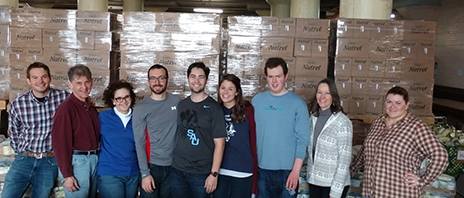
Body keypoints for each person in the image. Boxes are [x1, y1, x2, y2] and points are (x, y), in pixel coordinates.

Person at [350, 86, 448, 198]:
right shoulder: (378, 122)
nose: (393, 106)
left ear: (406, 105)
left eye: (398, 102)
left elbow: (441, 156)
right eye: (389, 102)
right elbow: (366, 150)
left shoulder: (416, 127)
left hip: (399, 192)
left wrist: (422, 180)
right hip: (371, 191)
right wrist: (352, 169)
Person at [3, 62, 69, 198]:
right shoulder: (18, 103)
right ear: (28, 81)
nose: (40, 81)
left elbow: (80, 102)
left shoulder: (63, 98)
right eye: (35, 78)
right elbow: (14, 133)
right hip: (24, 160)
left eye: (44, 77)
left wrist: (89, 100)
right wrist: (21, 152)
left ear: (50, 78)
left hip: (49, 161)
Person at [252, 57, 311, 198]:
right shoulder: (256, 101)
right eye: (270, 77)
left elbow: (303, 140)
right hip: (262, 170)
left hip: (288, 171)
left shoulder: (298, 104)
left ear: (286, 76)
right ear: (266, 77)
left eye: (278, 76)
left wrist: (296, 171)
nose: (274, 81)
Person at [171, 62, 226, 198]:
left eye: (201, 77)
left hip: (201, 173)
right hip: (178, 170)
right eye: (193, 76)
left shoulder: (214, 108)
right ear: (188, 78)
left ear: (206, 80)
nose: (196, 81)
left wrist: (214, 174)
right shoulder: (182, 105)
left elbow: (220, 143)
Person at [51, 64, 100, 198]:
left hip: (93, 160)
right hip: (77, 163)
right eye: (78, 83)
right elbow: (60, 144)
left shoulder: (89, 107)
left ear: (92, 82)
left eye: (87, 82)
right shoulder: (66, 109)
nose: (84, 87)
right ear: (70, 84)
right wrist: (67, 175)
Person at [133, 64, 181, 198]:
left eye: (161, 78)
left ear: (168, 80)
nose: (157, 82)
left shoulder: (177, 101)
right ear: (148, 82)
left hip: (174, 167)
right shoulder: (141, 109)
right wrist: (145, 173)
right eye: (153, 79)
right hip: (152, 167)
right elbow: (139, 143)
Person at [212, 74, 258, 198]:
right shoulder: (215, 110)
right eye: (223, 88)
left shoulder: (248, 110)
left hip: (243, 172)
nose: (225, 92)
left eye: (230, 89)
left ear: (237, 92)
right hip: (220, 171)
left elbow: (253, 140)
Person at [306, 78, 352, 198]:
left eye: (327, 93)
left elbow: (344, 160)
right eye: (319, 92)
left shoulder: (343, 122)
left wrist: (336, 192)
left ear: (333, 96)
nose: (322, 96)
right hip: (315, 180)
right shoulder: (313, 118)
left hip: (332, 184)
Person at [97, 80, 139, 198]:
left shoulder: (138, 117)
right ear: (113, 101)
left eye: (126, 97)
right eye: (119, 98)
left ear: (131, 97)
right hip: (110, 172)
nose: (123, 101)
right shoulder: (103, 117)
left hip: (133, 172)